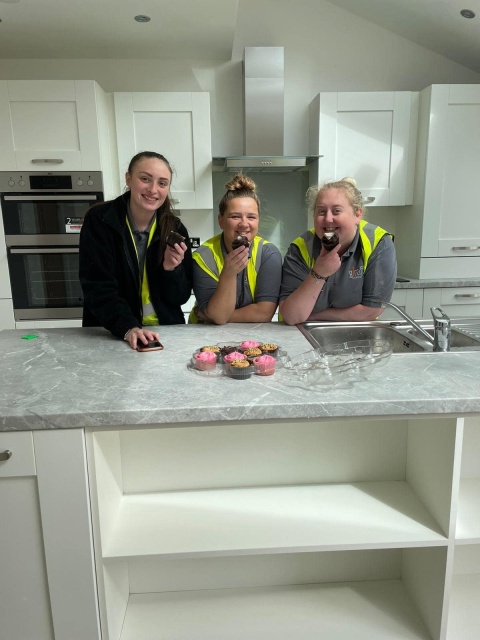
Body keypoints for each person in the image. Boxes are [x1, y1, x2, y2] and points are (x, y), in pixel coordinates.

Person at [79, 151, 193, 349]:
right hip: (113, 332)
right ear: (129, 179)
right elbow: (97, 287)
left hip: (164, 333)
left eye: (162, 183)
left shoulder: (175, 229)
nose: (153, 189)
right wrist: (128, 327)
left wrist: (170, 269)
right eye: (145, 179)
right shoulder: (101, 220)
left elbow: (180, 297)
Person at [279, 177, 397, 325]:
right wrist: (318, 273)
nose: (328, 219)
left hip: (358, 335)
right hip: (302, 335)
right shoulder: (300, 248)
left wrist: (315, 316)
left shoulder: (378, 243)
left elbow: (371, 310)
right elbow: (292, 316)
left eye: (336, 211)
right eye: (321, 211)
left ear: (357, 214)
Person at [190, 174, 282, 324]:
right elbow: (219, 317)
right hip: (206, 335)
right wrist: (229, 272)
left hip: (252, 335)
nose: (244, 224)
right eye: (235, 216)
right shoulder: (203, 257)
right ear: (221, 221)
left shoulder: (269, 254)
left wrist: (212, 315)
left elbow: (264, 313)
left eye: (251, 217)